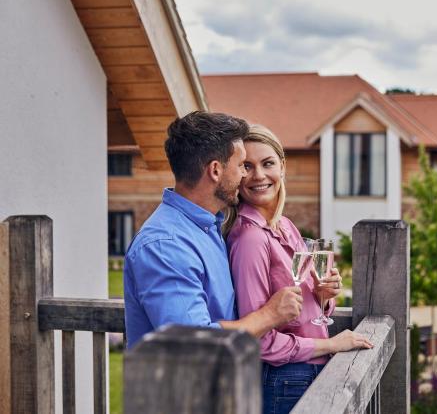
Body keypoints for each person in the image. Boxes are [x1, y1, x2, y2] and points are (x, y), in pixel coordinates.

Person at [225, 125, 373, 414]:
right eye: (247, 166)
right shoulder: (250, 239)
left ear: (282, 166)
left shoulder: (286, 226)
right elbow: (259, 341)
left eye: (267, 163)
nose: (258, 175)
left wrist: (324, 296)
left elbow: (312, 312)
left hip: (304, 374)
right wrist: (331, 345)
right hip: (284, 380)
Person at [124, 112, 303, 348]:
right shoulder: (165, 245)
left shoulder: (208, 227)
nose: (244, 175)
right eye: (241, 165)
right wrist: (270, 315)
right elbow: (193, 341)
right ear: (216, 170)